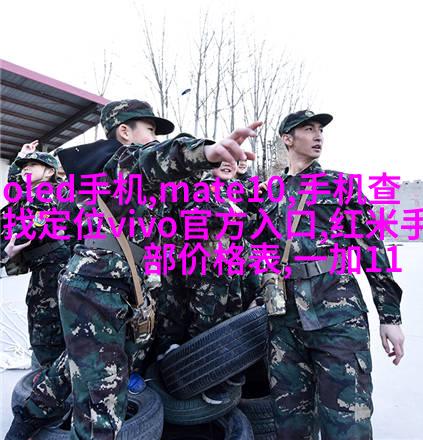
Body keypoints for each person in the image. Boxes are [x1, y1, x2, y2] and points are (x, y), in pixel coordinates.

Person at [6, 99, 260, 440]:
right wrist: (208, 151)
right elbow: (156, 158)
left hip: (124, 289)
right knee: (102, 412)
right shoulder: (121, 160)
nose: (155, 137)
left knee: (75, 367)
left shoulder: (134, 180)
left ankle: (26, 418)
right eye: (150, 129)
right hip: (99, 287)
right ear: (124, 132)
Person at [252, 110, 405, 439]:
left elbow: (372, 249)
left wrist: (390, 317)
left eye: (320, 129)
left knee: (346, 421)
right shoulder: (271, 193)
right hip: (285, 322)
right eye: (308, 129)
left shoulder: (340, 185)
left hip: (337, 318)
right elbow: (259, 247)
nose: (318, 135)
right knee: (290, 422)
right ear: (288, 138)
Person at [4, 143, 71, 368]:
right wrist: (20, 158)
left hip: (53, 266)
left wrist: (6, 248)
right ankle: (46, 370)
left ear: (50, 171)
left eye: (33, 165)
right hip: (43, 266)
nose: (26, 168)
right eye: (24, 166)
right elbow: (14, 188)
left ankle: (48, 375)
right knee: (41, 322)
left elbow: (29, 227)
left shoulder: (47, 194)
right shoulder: (31, 193)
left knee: (46, 326)